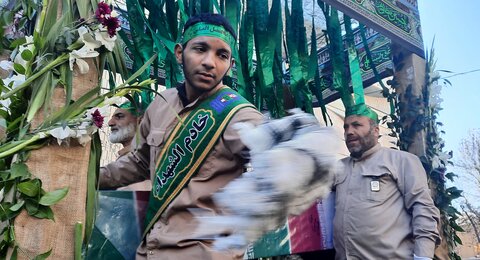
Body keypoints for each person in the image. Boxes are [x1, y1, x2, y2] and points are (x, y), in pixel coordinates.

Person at [99, 13, 263, 259]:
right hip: (149, 250)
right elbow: (141, 162)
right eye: (200, 48)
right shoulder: (161, 103)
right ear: (179, 52)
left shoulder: (238, 114)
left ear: (230, 65)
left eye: (222, 55)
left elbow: (276, 152)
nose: (210, 62)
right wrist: (91, 177)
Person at [333, 104, 441, 260]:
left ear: (375, 131)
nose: (349, 132)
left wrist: (423, 256)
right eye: (346, 127)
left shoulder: (402, 161)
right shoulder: (337, 168)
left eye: (356, 125)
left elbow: (423, 208)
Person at [105, 102, 151, 191]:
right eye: (112, 118)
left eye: (119, 117)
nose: (110, 123)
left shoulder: (147, 156)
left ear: (141, 121)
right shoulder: (129, 155)